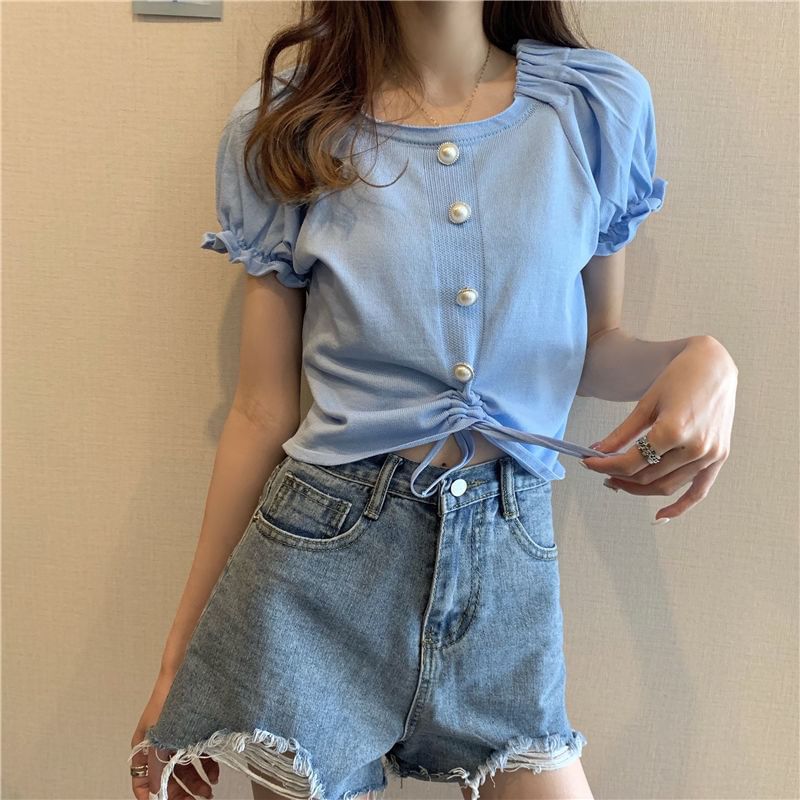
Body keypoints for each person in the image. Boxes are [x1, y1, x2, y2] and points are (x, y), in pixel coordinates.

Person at [128, 2, 738, 800]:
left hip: (507, 564)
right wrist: (179, 660)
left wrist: (704, 358)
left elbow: (589, 347)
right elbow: (260, 412)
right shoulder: (293, 122)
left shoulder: (590, 109)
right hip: (319, 568)